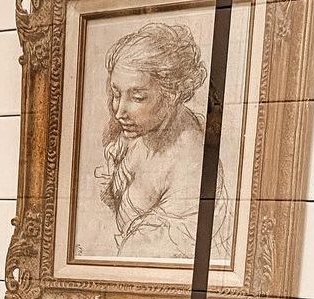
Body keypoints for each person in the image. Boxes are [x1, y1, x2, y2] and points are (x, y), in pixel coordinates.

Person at [94, 21, 234, 263]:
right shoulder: (140, 129)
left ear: (172, 95)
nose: (119, 111)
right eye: (117, 94)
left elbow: (140, 262)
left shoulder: (192, 166)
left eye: (137, 97)